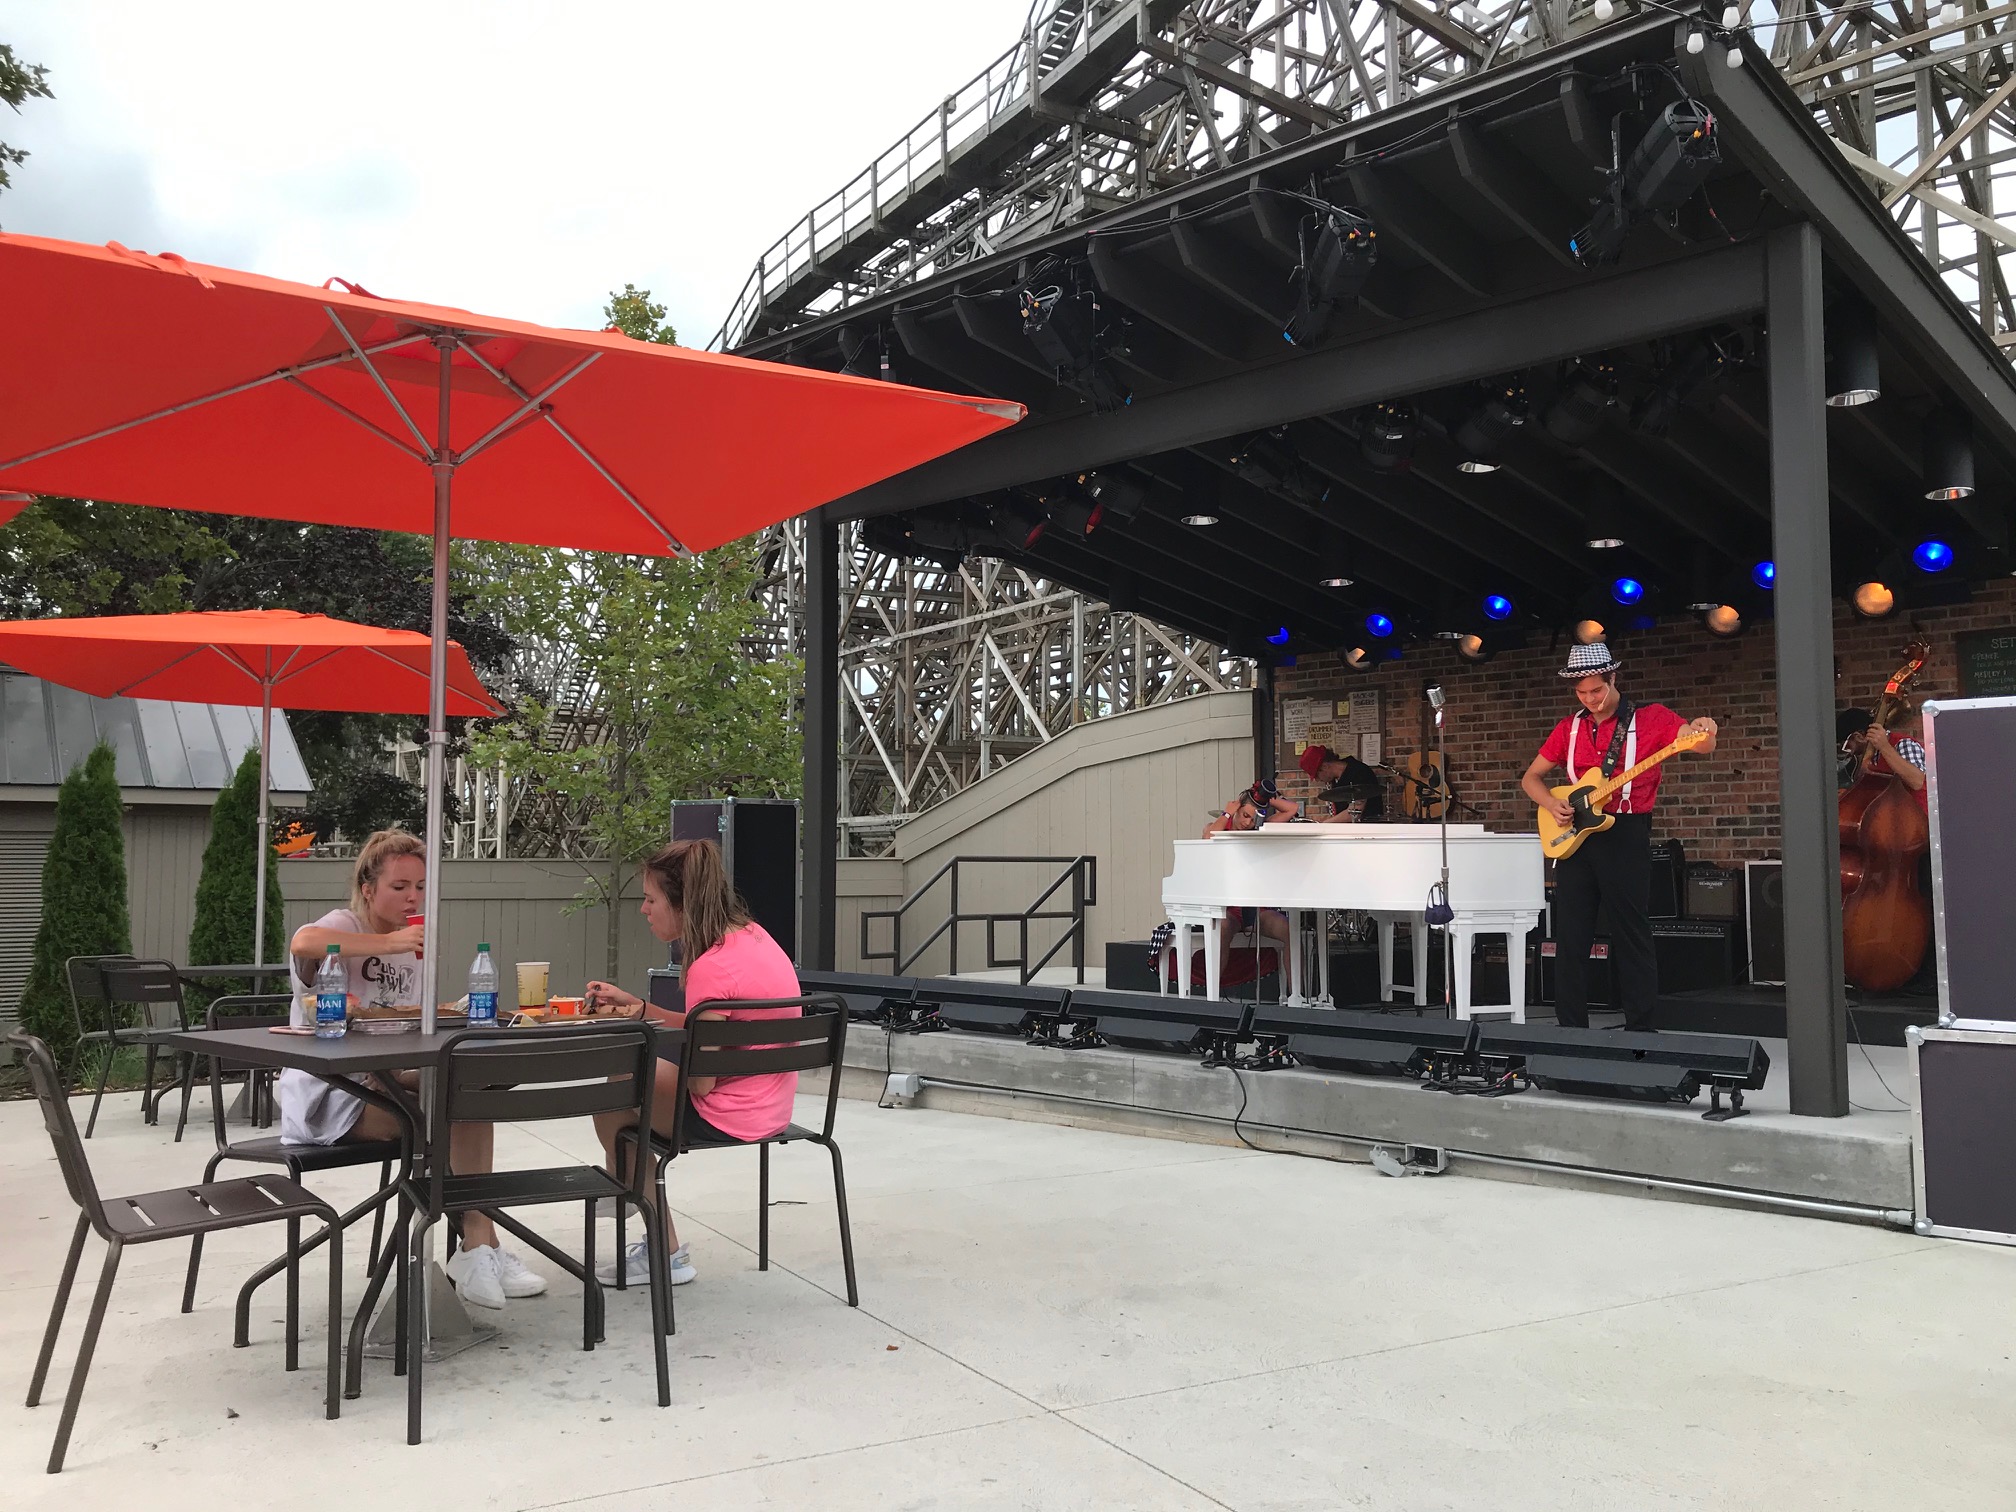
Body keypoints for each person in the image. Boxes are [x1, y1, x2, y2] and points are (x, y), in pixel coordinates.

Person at [283, 829, 545, 1312]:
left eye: (421, 887)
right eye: (400, 886)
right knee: (451, 1109)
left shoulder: (415, 946)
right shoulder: (348, 924)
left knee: (468, 1094)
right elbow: (304, 941)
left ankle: (479, 1247)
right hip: (334, 1093)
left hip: (388, 1075)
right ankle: (478, 1246)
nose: (413, 897)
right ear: (368, 889)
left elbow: (407, 1026)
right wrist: (387, 941)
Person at [582, 838, 802, 1288]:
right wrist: (639, 1008)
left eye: (650, 899)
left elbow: (701, 1083)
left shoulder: (711, 966)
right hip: (772, 1105)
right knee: (631, 1086)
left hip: (730, 1114)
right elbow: (714, 1030)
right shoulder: (754, 938)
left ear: (681, 904)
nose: (643, 909)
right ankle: (624, 1188)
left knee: (618, 1090)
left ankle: (641, 1216)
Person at [1519, 642, 1719, 1031]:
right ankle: (1570, 1029)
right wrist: (1550, 804)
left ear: (1614, 678)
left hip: (1625, 833)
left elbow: (1700, 743)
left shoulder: (1651, 718)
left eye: (1597, 690)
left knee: (1631, 931)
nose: (1590, 699)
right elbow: (1531, 778)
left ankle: (1641, 1028)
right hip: (1575, 834)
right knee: (1571, 934)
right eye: (1581, 693)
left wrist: (1703, 729)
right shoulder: (1568, 728)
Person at [1200, 781, 1294, 979]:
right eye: (1244, 815)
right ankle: (1212, 998)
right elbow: (1208, 837)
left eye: (1252, 819)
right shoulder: (1217, 826)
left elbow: (1291, 809)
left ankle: (1296, 997)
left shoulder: (1257, 830)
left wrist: (1267, 798)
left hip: (1256, 909)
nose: (1247, 823)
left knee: (1290, 931)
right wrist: (1226, 813)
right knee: (1223, 928)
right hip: (1229, 910)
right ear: (1236, 809)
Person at [1843, 698, 1928, 812]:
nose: (1848, 751)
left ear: (1859, 736)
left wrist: (1884, 746)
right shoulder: (1871, 757)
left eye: (1847, 745)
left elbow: (1917, 782)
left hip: (1919, 823)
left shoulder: (1903, 744)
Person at [1298, 744, 1386, 822]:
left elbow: (1355, 812)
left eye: (1316, 775)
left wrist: (1324, 825)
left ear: (1325, 766)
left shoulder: (1359, 772)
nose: (1317, 780)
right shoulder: (1334, 779)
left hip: (1367, 830)